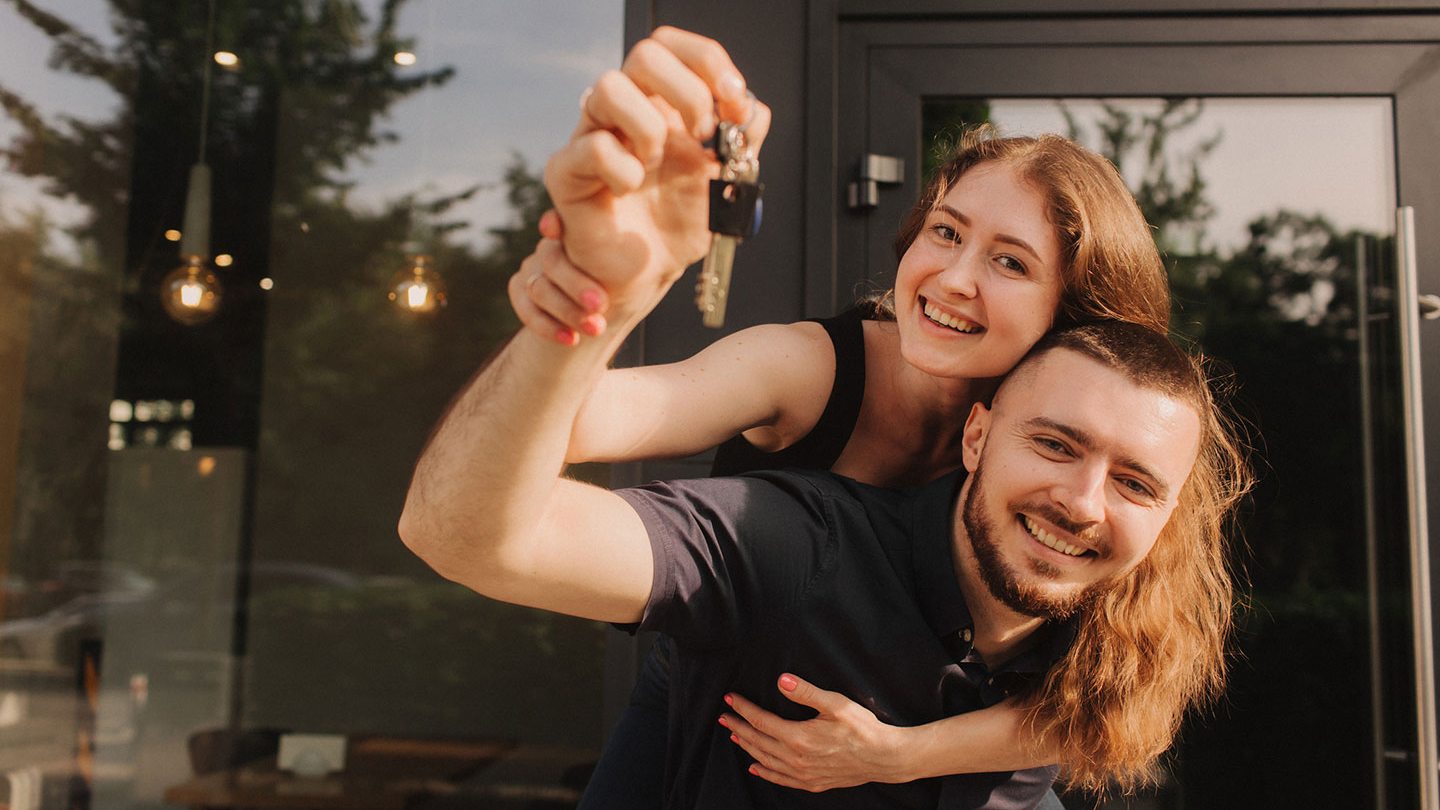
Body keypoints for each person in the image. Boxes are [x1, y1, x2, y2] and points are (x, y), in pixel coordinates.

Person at [399, 27, 1250, 808]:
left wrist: (898, 755)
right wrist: (580, 315)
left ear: (1076, 320)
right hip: (737, 698)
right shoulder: (808, 375)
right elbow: (570, 432)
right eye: (945, 232)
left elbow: (1117, 699)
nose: (954, 278)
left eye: (1009, 262)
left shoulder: (1092, 477)